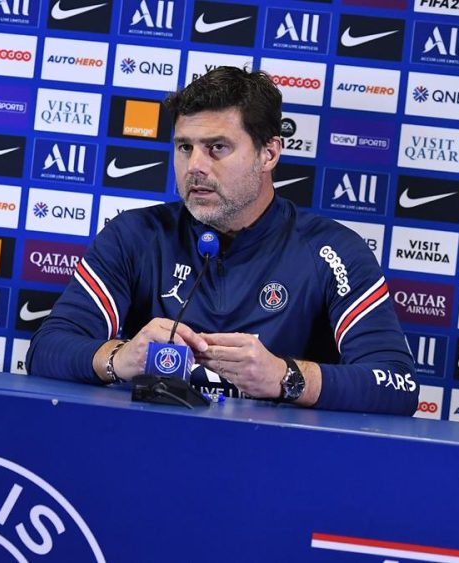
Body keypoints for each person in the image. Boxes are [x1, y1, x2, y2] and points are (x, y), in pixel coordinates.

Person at [26, 66, 418, 415]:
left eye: (217, 148)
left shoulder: (333, 251)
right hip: (150, 456)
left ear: (268, 154)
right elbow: (46, 350)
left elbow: (396, 384)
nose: (195, 166)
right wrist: (119, 358)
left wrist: (286, 377)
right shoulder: (134, 235)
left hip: (279, 468)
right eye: (184, 147)